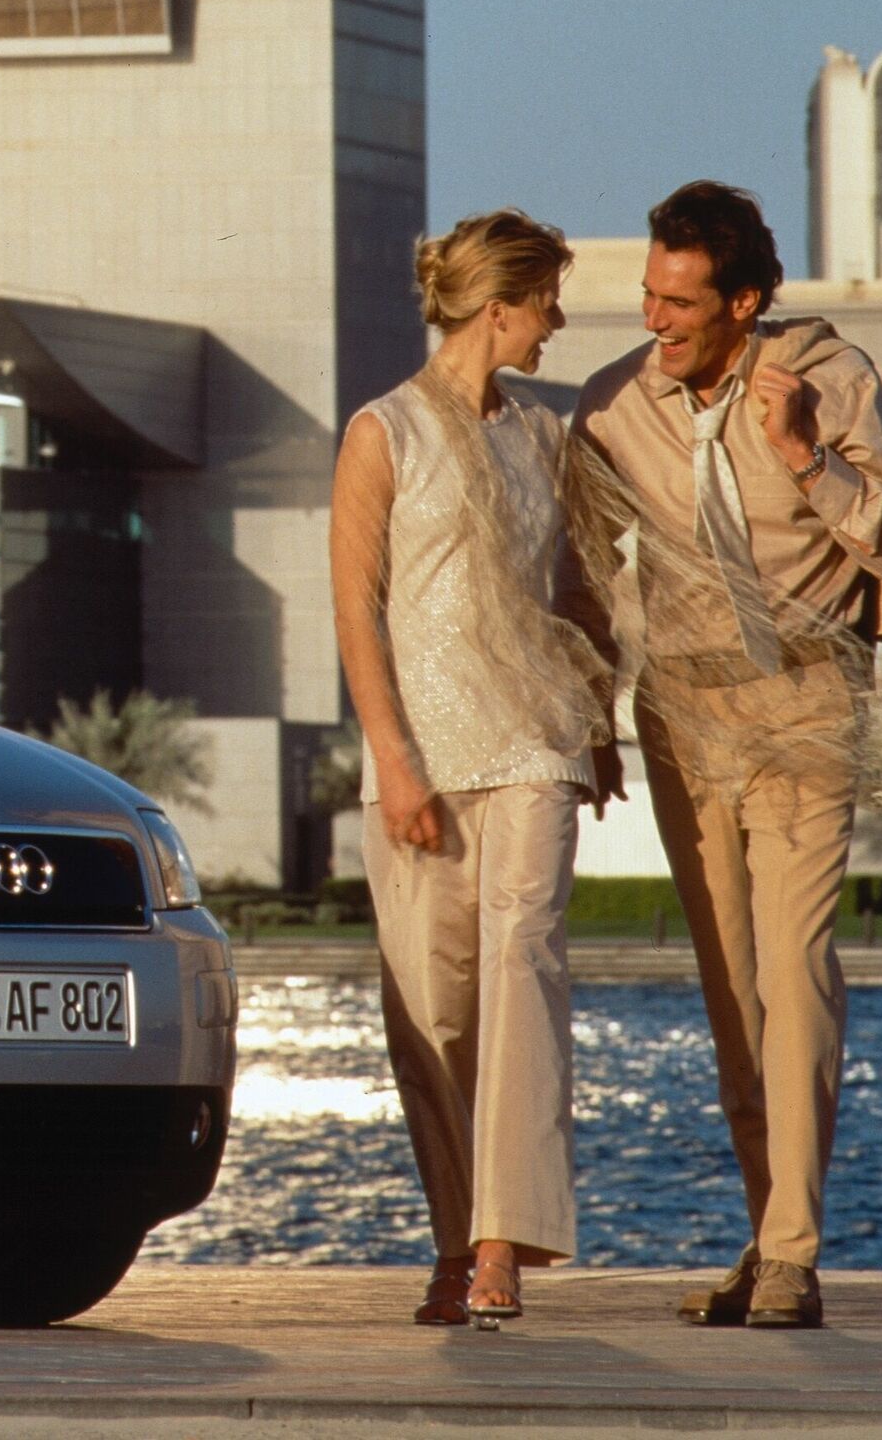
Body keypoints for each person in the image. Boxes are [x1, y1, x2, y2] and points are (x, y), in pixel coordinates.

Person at [564, 182, 882, 1332]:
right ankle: (770, 1237)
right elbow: (579, 577)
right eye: (648, 295)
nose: (655, 319)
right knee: (730, 993)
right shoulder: (612, 407)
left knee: (794, 969)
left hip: (808, 706)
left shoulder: (830, 379)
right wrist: (589, 720)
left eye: (679, 301)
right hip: (681, 721)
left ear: (746, 300)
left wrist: (809, 460)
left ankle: (791, 1254)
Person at [331, 211, 619, 1328]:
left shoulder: (551, 432)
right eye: (548, 300)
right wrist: (394, 761)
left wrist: (594, 725)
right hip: (422, 761)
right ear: (499, 306)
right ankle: (456, 1234)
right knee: (435, 1013)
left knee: (525, 966)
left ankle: (502, 1243)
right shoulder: (382, 431)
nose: (557, 322)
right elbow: (358, 610)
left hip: (537, 743)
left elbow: (586, 585)